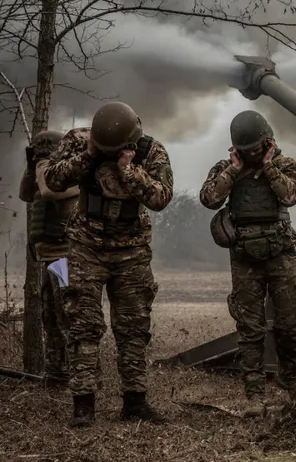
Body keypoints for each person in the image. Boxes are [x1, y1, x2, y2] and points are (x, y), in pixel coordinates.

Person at [43, 102, 173, 428]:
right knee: (82, 324)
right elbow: (53, 181)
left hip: (131, 250)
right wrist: (87, 156)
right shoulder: (78, 141)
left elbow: (160, 197)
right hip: (86, 245)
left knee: (133, 328)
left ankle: (135, 402)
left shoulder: (151, 150)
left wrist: (129, 171)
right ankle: (83, 405)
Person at [199, 109, 296, 418]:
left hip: (280, 254)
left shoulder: (284, 165)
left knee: (289, 322)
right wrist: (233, 171)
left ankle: (291, 383)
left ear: (268, 143)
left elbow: (291, 196)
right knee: (250, 328)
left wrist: (268, 166)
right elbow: (209, 199)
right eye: (245, 151)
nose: (251, 155)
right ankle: (254, 393)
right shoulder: (226, 169)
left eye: (255, 150)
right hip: (245, 257)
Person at [18, 130, 79, 388]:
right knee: (50, 316)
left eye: (46, 148)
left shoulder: (67, 174)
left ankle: (80, 374)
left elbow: (47, 193)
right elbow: (24, 193)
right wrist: (32, 165)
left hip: (64, 257)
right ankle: (56, 373)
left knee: (68, 315)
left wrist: (44, 165)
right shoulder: (42, 173)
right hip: (47, 258)